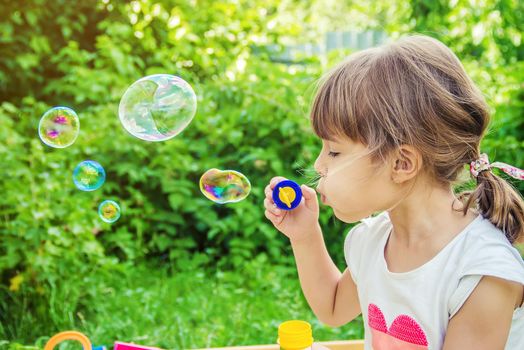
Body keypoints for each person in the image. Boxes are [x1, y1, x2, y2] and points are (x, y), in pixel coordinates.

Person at [263, 34, 524, 350]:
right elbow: (332, 307)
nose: (319, 165)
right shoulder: (376, 240)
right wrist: (304, 236)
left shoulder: (479, 272)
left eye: (334, 152)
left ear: (402, 163)